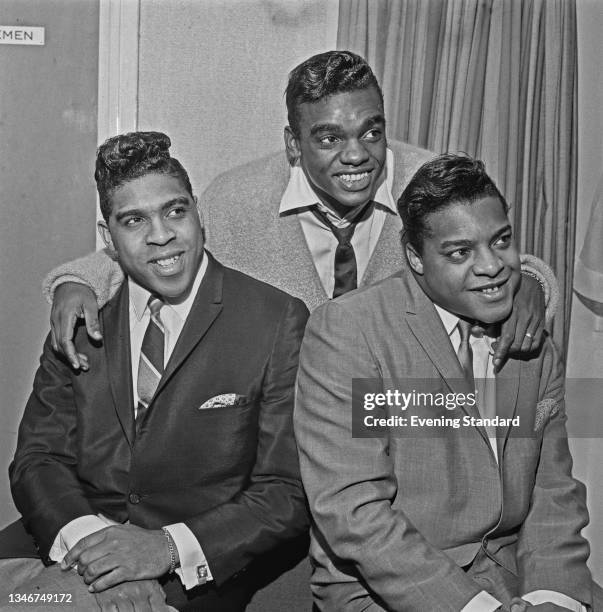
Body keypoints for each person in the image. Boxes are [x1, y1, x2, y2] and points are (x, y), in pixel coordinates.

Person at [42, 51, 553, 374]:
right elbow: (164, 244)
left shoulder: (426, 180)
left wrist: (530, 281)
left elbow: (490, 247)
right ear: (293, 144)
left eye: (371, 132)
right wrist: (76, 281)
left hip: (402, 430)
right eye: (329, 138)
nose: (357, 155)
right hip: (276, 444)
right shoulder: (238, 197)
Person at [0, 132, 309, 611]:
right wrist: (97, 552)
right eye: (134, 220)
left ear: (196, 211)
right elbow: (37, 458)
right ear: (109, 238)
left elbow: (285, 492)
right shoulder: (83, 315)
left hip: (190, 567)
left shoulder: (275, 320)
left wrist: (163, 549)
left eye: (175, 211)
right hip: (67, 538)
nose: (161, 234)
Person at [294, 154, 599, 611]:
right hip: (390, 590)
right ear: (415, 257)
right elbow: (355, 513)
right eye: (460, 252)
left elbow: (552, 491)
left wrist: (553, 597)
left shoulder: (531, 337)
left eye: (501, 241)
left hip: (517, 576)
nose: (492, 266)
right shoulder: (351, 334)